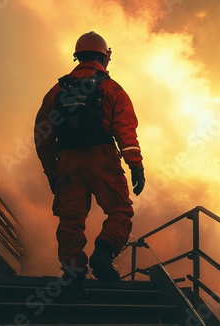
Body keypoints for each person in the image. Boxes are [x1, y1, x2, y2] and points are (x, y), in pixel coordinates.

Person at [34, 31, 145, 301]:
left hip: (68, 162)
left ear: (78, 56)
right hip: (102, 157)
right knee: (120, 209)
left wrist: (53, 173)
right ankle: (104, 255)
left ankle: (73, 276)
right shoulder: (111, 88)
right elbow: (124, 130)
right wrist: (135, 165)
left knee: (71, 220)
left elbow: (42, 136)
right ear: (104, 57)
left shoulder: (56, 91)